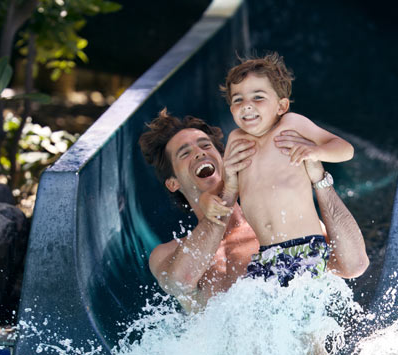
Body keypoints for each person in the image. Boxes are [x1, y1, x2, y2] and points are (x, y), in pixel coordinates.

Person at [138, 109, 368, 313]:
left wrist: (319, 180)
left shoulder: (284, 225)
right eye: (184, 153)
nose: (200, 153)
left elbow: (354, 265)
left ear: (224, 157)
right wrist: (227, 194)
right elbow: (181, 281)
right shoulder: (167, 254)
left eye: (206, 145)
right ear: (173, 183)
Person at [222, 53, 356, 286]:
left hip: (304, 248)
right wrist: (228, 181)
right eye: (238, 100)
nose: (247, 106)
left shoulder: (292, 124)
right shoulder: (235, 140)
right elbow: (232, 189)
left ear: (281, 105)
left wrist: (314, 151)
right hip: (265, 253)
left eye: (258, 97)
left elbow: (345, 149)